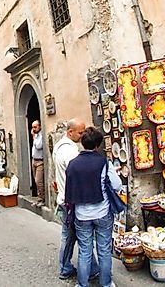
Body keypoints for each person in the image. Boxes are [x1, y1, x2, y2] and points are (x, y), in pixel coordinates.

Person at [65, 127, 121, 287]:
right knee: (104, 251)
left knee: (84, 251)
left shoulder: (73, 164)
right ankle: (106, 283)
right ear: (97, 145)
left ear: (83, 143)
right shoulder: (103, 162)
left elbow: (70, 189)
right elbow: (116, 186)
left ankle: (82, 284)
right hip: (102, 213)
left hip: (82, 215)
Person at [53, 119, 92, 280]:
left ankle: (91, 267)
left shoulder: (61, 146)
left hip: (65, 198)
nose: (83, 136)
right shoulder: (69, 152)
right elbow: (78, 174)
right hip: (71, 201)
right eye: (80, 133)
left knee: (78, 235)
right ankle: (65, 268)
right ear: (70, 132)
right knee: (72, 236)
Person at [30, 120, 46, 205]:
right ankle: (39, 198)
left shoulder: (40, 135)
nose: (34, 129)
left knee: (38, 181)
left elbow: (39, 146)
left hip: (40, 161)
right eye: (33, 127)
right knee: (35, 180)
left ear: (40, 126)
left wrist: (34, 137)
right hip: (34, 160)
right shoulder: (37, 135)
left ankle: (42, 199)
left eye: (35, 127)